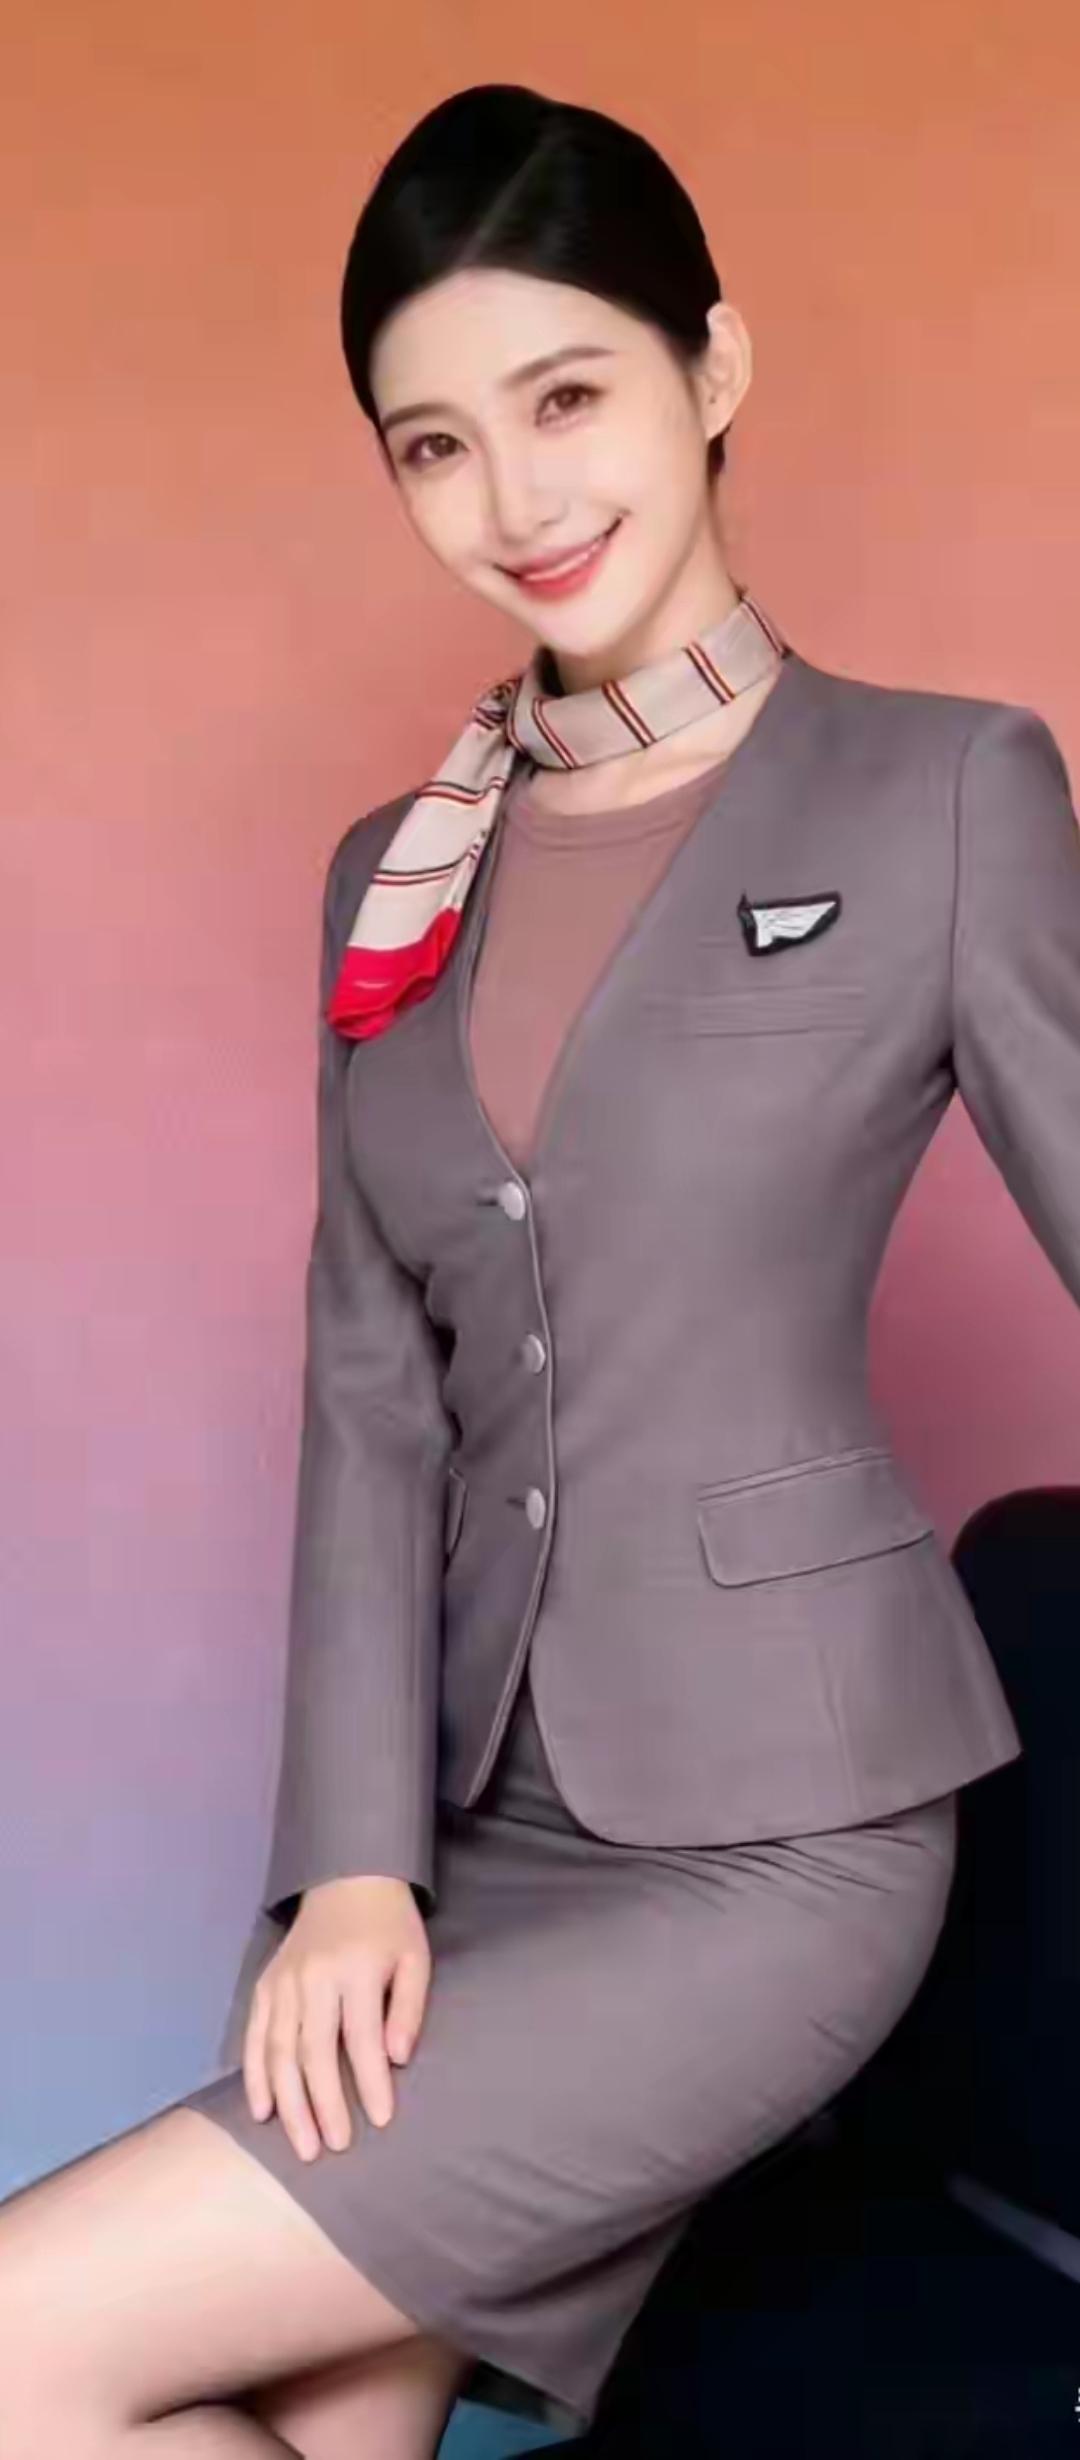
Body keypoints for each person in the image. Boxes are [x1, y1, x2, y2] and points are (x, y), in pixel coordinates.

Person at [4, 79, 1078, 2460]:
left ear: (715, 368)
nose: (515, 499)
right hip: (449, 1836)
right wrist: (348, 1864)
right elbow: (369, 1386)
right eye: (435, 445)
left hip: (778, 1840)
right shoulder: (390, 877)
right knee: (315, 2429)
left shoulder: (942, 790)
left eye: (568, 396)